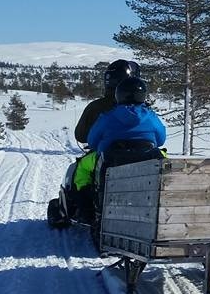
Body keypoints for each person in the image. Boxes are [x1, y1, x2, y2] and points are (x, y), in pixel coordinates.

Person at [71, 76, 166, 206]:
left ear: (119, 95)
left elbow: (92, 141)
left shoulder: (107, 117)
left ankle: (84, 205)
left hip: (110, 160)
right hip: (147, 160)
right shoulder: (151, 117)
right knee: (165, 161)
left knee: (82, 166)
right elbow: (161, 140)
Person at [75, 59, 140, 144]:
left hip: (107, 153)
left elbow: (81, 136)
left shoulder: (96, 107)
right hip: (144, 154)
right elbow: (160, 137)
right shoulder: (143, 109)